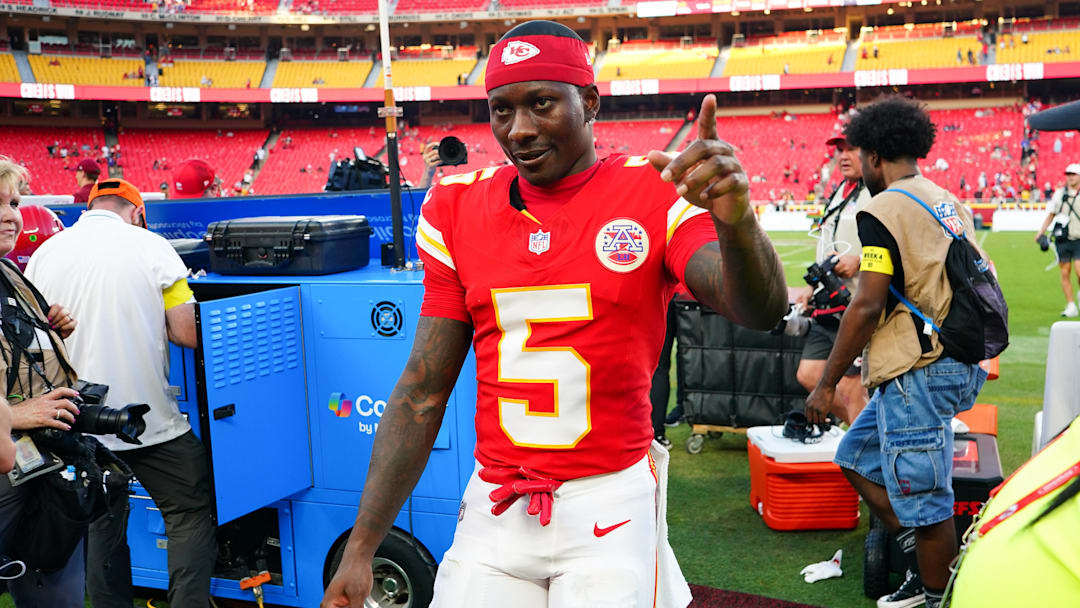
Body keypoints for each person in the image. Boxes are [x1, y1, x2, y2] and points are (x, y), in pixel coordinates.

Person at [321, 20, 787, 608]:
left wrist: (736, 220)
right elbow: (422, 390)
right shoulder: (455, 207)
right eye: (501, 109)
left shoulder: (651, 191)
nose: (519, 130)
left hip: (608, 499)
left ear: (589, 102)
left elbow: (758, 307)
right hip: (498, 501)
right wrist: (362, 546)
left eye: (542, 104)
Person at [805, 97, 987, 608]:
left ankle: (937, 594)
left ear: (874, 155)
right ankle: (921, 560)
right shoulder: (947, 199)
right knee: (856, 459)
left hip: (919, 369)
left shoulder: (881, 207)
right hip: (950, 359)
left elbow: (866, 305)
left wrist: (825, 385)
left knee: (929, 506)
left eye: (859, 152)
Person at [26, 178, 215, 608]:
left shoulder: (45, 253)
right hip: (148, 421)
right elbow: (187, 332)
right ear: (136, 212)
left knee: (100, 523)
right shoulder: (151, 246)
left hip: (74, 420)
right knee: (188, 510)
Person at [0, 157, 83, 607]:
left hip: (36, 463)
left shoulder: (11, 273)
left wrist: (51, 331)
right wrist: (15, 414)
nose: (10, 215)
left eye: (13, 202)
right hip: (10, 459)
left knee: (56, 587)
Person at [794, 135, 872, 424]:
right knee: (809, 374)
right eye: (840, 150)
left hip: (858, 303)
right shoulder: (841, 189)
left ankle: (862, 454)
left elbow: (900, 244)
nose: (843, 155)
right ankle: (864, 432)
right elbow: (826, 244)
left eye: (852, 148)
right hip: (828, 303)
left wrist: (861, 260)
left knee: (851, 388)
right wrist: (810, 287)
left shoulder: (879, 193)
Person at [1034, 163, 1080, 317]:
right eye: (1068, 174)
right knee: (1065, 273)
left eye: (1073, 174)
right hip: (1063, 239)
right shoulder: (1059, 194)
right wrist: (1041, 232)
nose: (1070, 177)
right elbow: (1051, 214)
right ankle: (1071, 305)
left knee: (1079, 272)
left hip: (1079, 238)